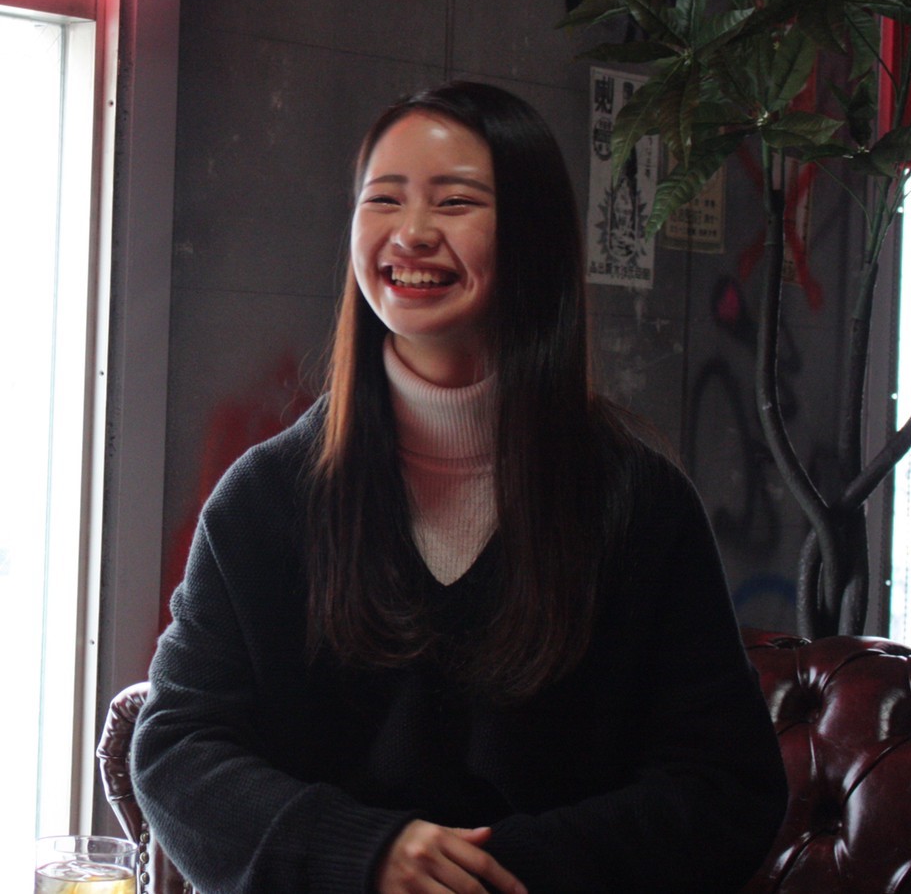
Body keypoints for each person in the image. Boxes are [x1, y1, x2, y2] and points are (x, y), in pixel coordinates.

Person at [132, 81, 787, 893]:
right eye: (384, 199)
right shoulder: (265, 500)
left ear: (533, 235)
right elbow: (176, 748)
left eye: (454, 201)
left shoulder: (636, 502)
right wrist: (365, 852)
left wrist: (489, 872)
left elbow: (725, 787)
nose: (411, 232)